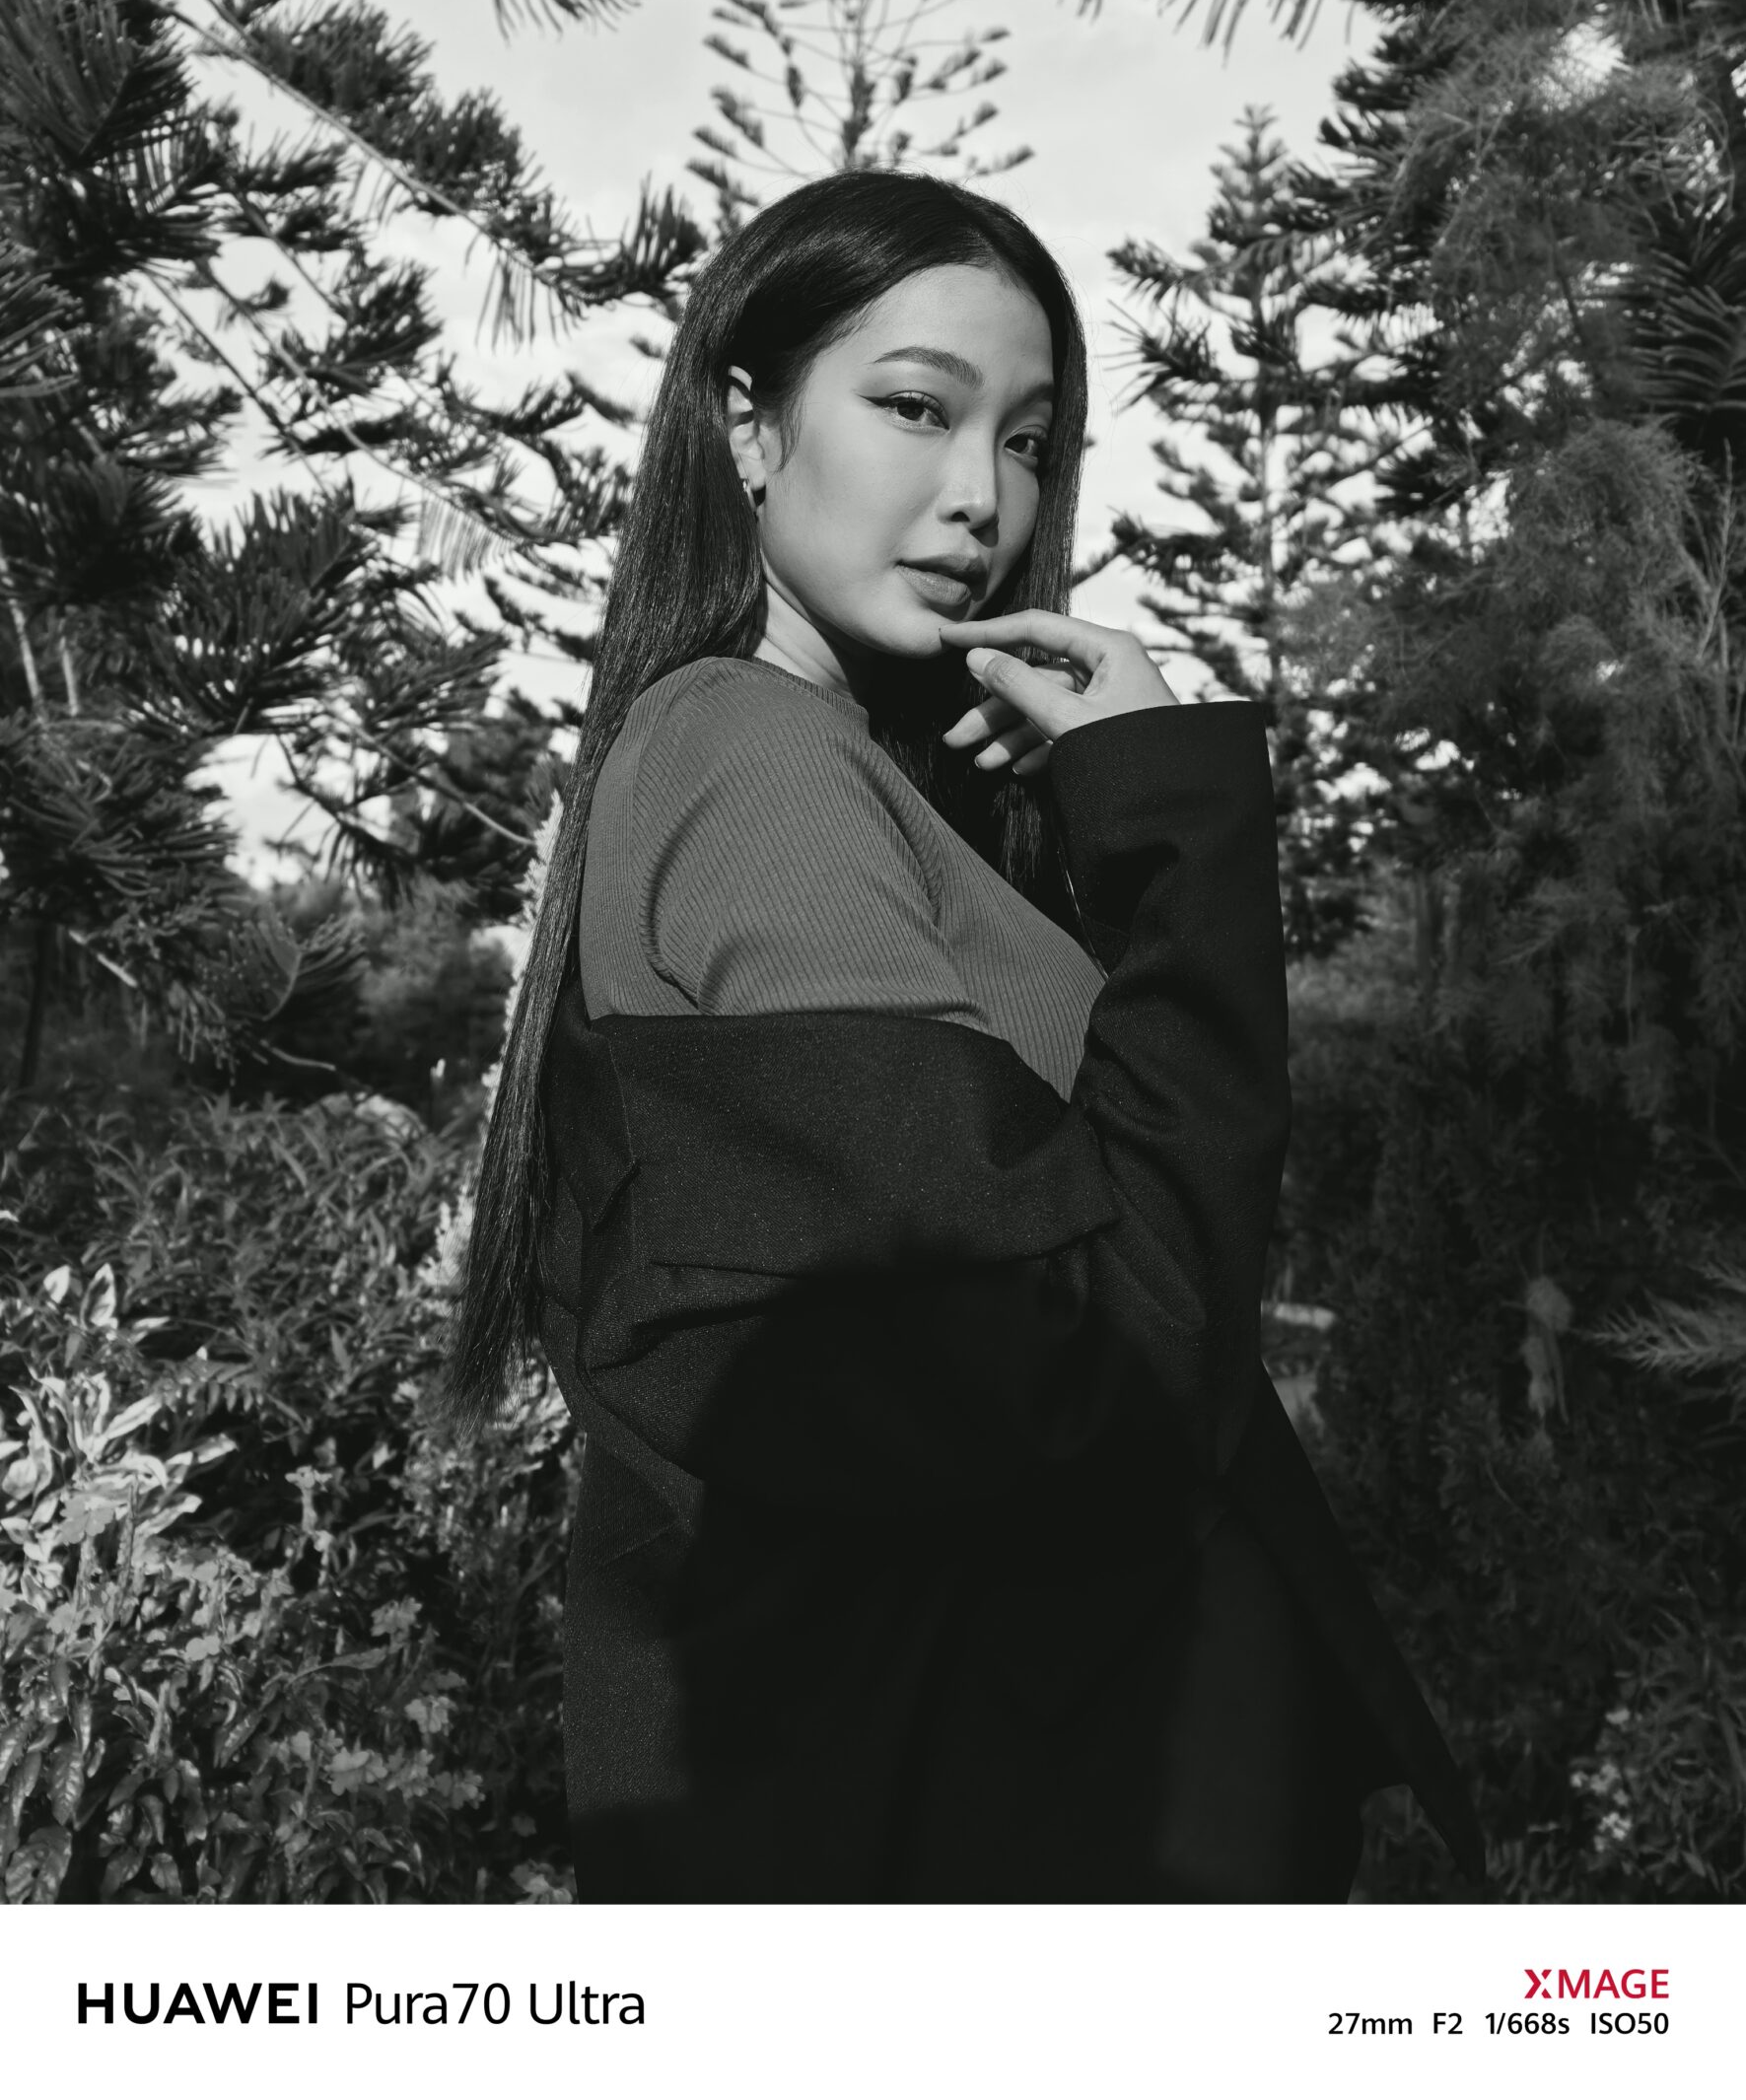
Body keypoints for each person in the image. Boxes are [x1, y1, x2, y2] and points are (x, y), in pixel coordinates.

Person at [447, 169, 1483, 1901]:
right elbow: (1079, 1371)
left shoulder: (820, 773)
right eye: (916, 408)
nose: (981, 497)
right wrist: (1174, 830)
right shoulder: (753, 759)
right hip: (1013, 1835)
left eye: (1026, 440)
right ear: (747, 425)